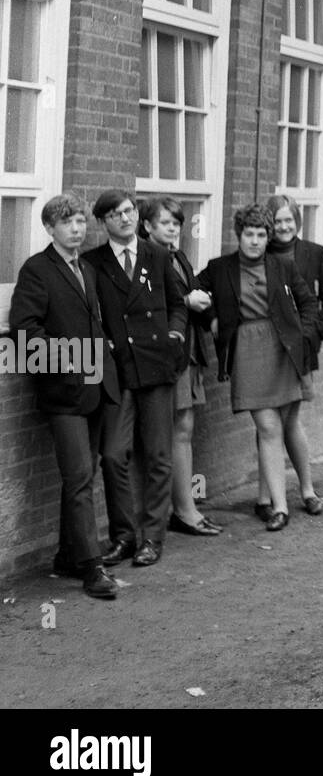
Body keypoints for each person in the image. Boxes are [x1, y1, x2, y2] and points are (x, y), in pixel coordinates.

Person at [9, 195, 120, 599]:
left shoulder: (86, 269)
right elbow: (25, 330)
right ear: (50, 228)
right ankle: (91, 568)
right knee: (78, 479)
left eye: (79, 221)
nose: (77, 229)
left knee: (81, 477)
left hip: (94, 389)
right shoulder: (37, 270)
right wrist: (71, 363)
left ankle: (68, 556)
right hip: (63, 391)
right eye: (67, 222)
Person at [195, 205, 319, 530]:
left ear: (268, 237)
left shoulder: (283, 266)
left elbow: (308, 303)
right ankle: (280, 507)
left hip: (284, 349)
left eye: (261, 235)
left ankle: (274, 502)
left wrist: (304, 336)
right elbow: (190, 293)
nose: (254, 241)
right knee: (268, 426)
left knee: (283, 424)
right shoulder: (219, 268)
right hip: (247, 350)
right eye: (248, 234)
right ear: (239, 235)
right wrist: (211, 320)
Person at [82, 189, 187, 568]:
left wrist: (175, 334)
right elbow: (89, 313)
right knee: (112, 455)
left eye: (128, 211)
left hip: (157, 366)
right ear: (103, 222)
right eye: (115, 215)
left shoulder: (158, 255)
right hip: (119, 370)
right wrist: (102, 341)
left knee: (159, 454)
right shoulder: (92, 262)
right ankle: (124, 536)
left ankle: (153, 538)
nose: (124, 219)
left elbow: (178, 304)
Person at [138, 197, 221, 537]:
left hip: (186, 351)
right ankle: (182, 511)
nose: (173, 229)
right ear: (147, 226)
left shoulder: (178, 256)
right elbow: (142, 305)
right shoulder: (144, 259)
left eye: (177, 223)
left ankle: (184, 507)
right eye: (165, 223)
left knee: (183, 428)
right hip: (164, 353)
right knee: (172, 431)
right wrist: (188, 301)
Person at [258, 193, 323, 519]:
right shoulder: (260, 254)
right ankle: (266, 498)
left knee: (288, 418)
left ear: (297, 221)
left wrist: (312, 335)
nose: (283, 226)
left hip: (300, 351)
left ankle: (305, 488)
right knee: (267, 418)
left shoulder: (314, 254)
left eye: (288, 220)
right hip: (268, 349)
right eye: (277, 221)